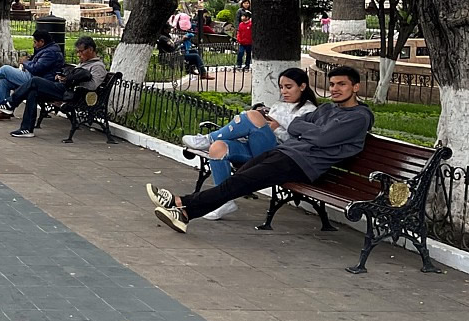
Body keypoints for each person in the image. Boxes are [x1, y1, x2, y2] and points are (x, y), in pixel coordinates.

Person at [147, 65, 372, 233]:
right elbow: (296, 127)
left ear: (356, 87)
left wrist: (305, 129)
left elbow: (321, 137)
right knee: (239, 179)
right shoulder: (327, 110)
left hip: (303, 164)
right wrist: (304, 128)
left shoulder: (359, 117)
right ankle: (185, 211)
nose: (335, 89)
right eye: (332, 84)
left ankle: (180, 202)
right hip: (287, 153)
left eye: (341, 84)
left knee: (239, 182)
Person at [179, 67, 318, 219]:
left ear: (302, 86)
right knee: (218, 148)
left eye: (288, 87)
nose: (284, 91)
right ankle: (224, 202)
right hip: (256, 148)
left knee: (252, 115)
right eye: (281, 87)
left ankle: (209, 138)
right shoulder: (279, 105)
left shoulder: (309, 111)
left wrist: (276, 128)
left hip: (278, 156)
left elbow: (299, 142)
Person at [0, 36, 108, 138]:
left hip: (72, 94)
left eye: (81, 52)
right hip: (64, 88)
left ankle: (10, 104)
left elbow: (93, 85)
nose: (78, 55)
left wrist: (72, 81)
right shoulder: (85, 63)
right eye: (77, 52)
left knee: (35, 81)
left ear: (91, 50)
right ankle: (26, 129)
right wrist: (64, 77)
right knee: (33, 92)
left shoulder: (97, 66)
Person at [0, 29, 65, 107]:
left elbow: (37, 69)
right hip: (35, 77)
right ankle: (3, 110)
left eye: (35, 42)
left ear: (42, 41)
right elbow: (39, 64)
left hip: (38, 80)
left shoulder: (50, 52)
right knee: (3, 81)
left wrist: (25, 62)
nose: (33, 45)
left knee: (5, 69)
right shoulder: (48, 49)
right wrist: (30, 59)